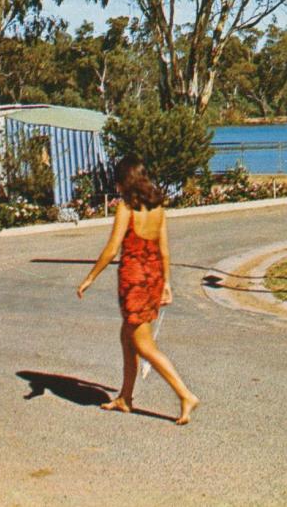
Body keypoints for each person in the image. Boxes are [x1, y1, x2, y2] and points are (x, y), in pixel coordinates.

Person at [77, 156, 199, 425]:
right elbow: (164, 249)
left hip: (134, 282)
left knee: (144, 345)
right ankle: (125, 397)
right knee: (127, 337)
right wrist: (166, 283)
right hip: (153, 276)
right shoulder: (157, 207)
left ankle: (185, 394)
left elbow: (112, 250)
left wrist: (89, 277)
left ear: (124, 181)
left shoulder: (126, 208)